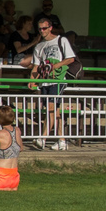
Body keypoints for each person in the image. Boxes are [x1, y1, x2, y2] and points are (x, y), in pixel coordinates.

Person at [28, 16, 77, 151]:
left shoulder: (61, 40)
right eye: (40, 29)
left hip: (58, 79)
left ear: (50, 28)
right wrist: (32, 80)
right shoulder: (39, 46)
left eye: (44, 28)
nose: (42, 31)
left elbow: (70, 59)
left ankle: (42, 138)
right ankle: (61, 140)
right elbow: (36, 66)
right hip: (45, 81)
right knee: (54, 110)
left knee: (51, 107)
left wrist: (55, 66)